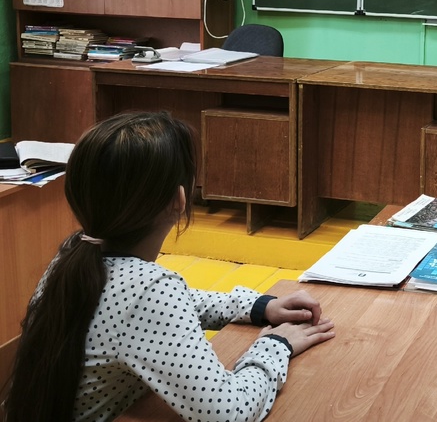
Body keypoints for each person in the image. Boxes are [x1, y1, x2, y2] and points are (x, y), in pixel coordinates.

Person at [1, 111, 335, 422]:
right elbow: (229, 413)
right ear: (179, 200)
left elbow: (176, 304)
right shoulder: (148, 289)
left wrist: (259, 306)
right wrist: (276, 346)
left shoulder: (76, 251)